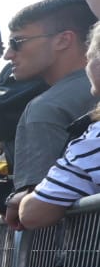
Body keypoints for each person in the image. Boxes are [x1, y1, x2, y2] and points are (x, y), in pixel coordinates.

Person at [3, 0, 99, 191]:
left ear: (63, 40)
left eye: (17, 42)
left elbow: (39, 210)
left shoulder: (45, 108)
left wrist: (17, 202)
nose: (8, 54)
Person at [8, 23, 100, 229]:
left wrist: (25, 198)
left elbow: (33, 214)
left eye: (91, 54)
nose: (8, 54)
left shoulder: (92, 141)